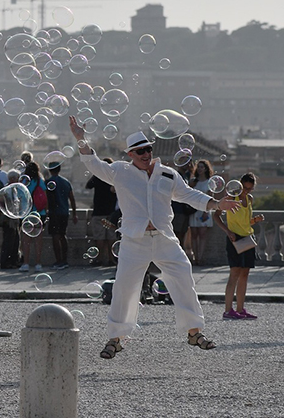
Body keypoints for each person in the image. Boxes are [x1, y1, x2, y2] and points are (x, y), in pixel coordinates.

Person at [68, 117, 240, 358]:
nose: (146, 153)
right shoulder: (120, 171)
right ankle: (115, 339)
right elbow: (94, 164)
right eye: (140, 151)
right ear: (130, 154)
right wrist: (80, 138)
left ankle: (194, 332)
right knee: (124, 288)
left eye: (148, 148)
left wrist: (216, 203)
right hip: (133, 240)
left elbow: (189, 195)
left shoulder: (167, 174)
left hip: (163, 238)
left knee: (183, 277)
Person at [213, 173, 263, 320]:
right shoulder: (230, 198)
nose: (246, 191)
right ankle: (228, 310)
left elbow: (246, 222)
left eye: (249, 189)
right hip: (234, 238)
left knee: (244, 275)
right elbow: (216, 215)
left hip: (247, 238)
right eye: (245, 188)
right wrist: (227, 231)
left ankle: (240, 309)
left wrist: (256, 220)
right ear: (240, 185)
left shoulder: (249, 199)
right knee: (234, 273)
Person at [85, 158, 117, 267]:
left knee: (100, 237)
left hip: (98, 212)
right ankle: (111, 259)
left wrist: (96, 173)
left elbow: (88, 185)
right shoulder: (114, 178)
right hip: (111, 213)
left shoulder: (98, 177)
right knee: (111, 237)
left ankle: (99, 259)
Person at [46, 162, 77, 270]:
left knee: (55, 236)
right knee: (63, 235)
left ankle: (58, 260)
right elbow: (72, 199)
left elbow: (47, 199)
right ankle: (64, 260)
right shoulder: (66, 182)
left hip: (54, 212)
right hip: (64, 212)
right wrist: (74, 214)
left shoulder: (49, 182)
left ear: (50, 170)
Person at [19, 161, 47, 273]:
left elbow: (20, 199)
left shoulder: (24, 182)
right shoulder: (40, 181)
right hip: (40, 213)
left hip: (26, 214)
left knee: (25, 240)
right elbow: (45, 198)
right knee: (38, 240)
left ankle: (25, 263)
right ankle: (38, 263)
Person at [188, 160, 215, 266]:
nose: (199, 169)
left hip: (204, 210)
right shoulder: (193, 181)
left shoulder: (209, 182)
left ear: (206, 169)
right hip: (194, 210)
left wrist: (206, 211)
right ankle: (195, 257)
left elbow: (210, 197)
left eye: (202, 167)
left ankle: (200, 257)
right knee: (194, 234)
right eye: (198, 167)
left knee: (202, 234)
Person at [171, 160, 196, 261]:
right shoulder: (176, 175)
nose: (189, 165)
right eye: (186, 163)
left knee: (182, 235)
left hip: (184, 211)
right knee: (176, 235)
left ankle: (177, 258)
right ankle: (174, 258)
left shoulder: (186, 176)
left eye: (190, 163)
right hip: (177, 210)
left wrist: (191, 170)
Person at [0, 170, 23, 269]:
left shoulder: (13, 189)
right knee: (8, 240)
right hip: (8, 220)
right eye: (17, 179)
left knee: (15, 240)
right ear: (13, 179)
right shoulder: (7, 189)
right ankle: (6, 262)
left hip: (14, 218)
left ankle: (14, 260)